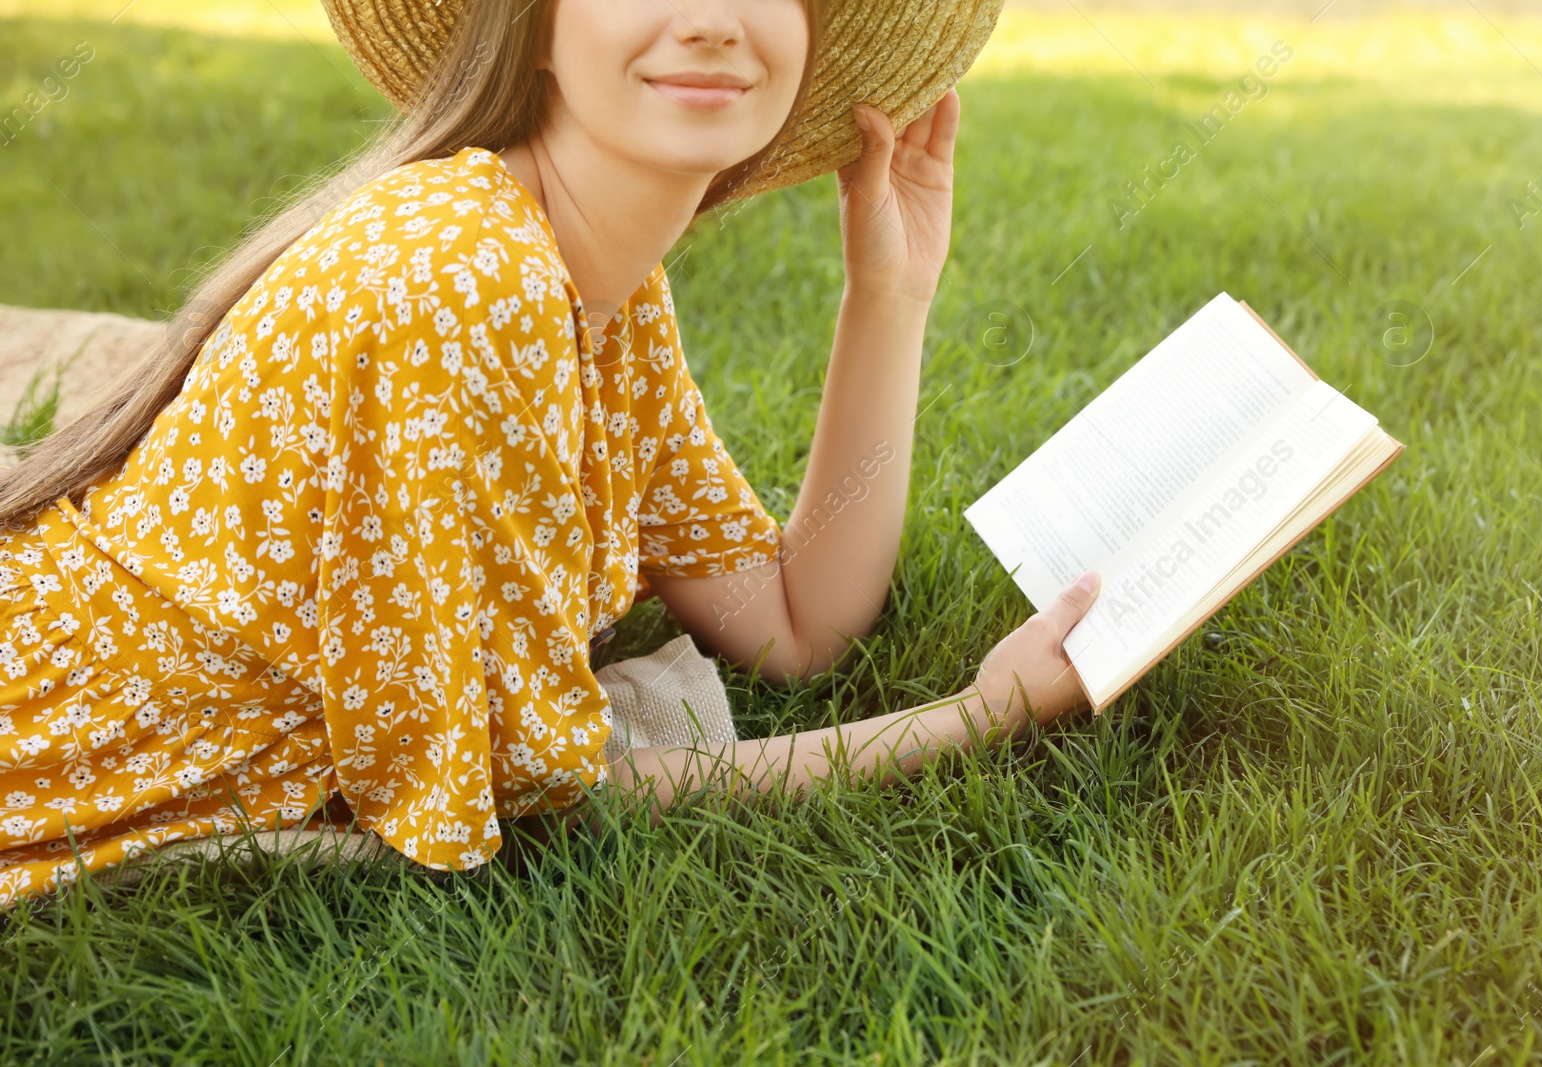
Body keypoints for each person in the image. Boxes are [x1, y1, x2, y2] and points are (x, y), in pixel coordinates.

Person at [0, 0, 1099, 905]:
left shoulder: (599, 278)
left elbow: (794, 624)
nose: (713, 21)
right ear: (533, 28)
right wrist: (970, 718)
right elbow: (546, 801)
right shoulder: (470, 278)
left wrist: (890, 295)